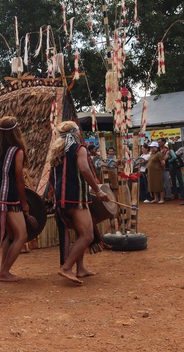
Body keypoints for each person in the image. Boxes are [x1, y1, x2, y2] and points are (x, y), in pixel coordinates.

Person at [49, 121, 109, 284]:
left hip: (62, 199)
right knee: (87, 235)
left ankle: (80, 268)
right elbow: (84, 169)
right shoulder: (79, 148)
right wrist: (98, 190)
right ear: (76, 133)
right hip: (76, 199)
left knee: (79, 232)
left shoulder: (57, 151)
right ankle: (66, 267)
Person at [0, 116, 29, 282]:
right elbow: (18, 179)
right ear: (16, 132)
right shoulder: (17, 152)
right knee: (21, 235)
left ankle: (4, 270)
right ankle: (4, 272)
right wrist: (24, 203)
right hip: (8, 198)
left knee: (10, 234)